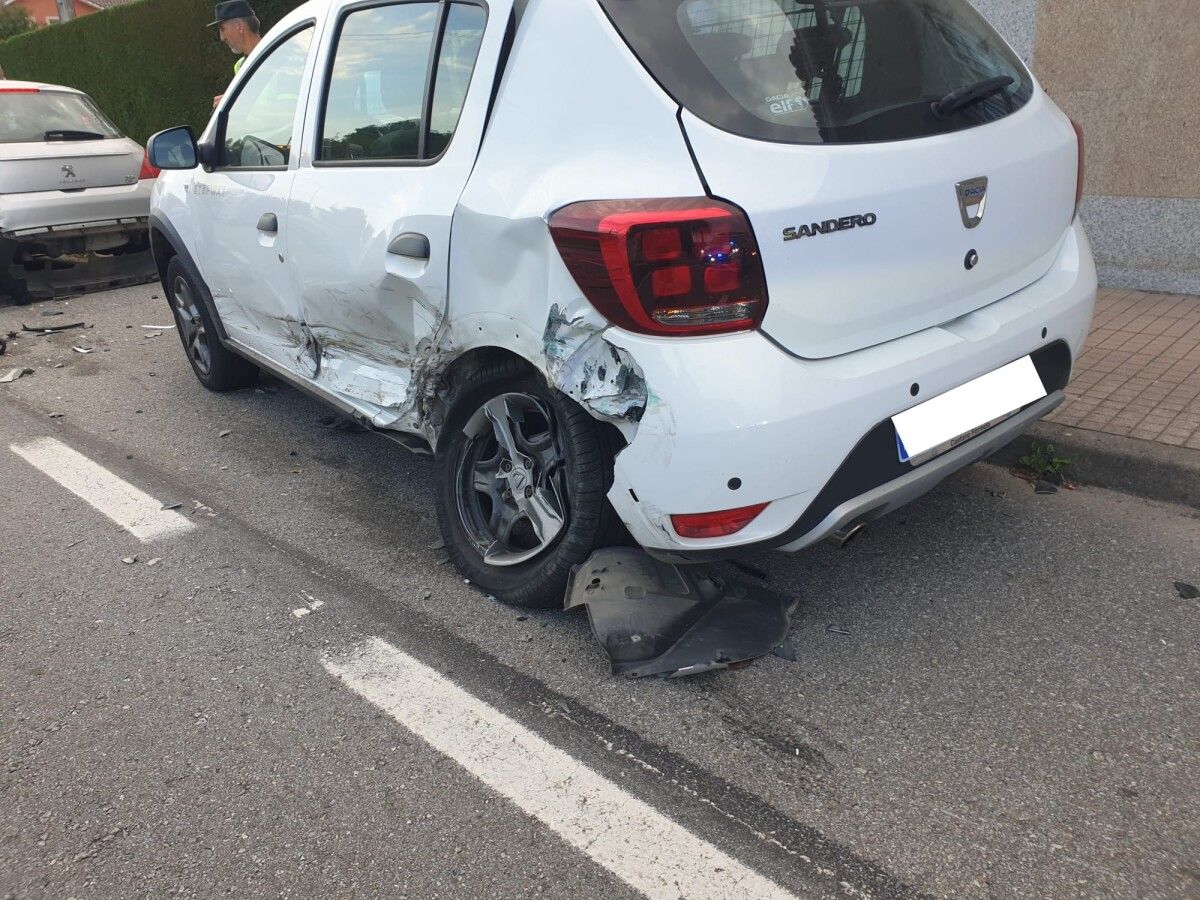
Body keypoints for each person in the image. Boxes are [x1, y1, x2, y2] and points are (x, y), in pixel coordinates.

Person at [209, 0, 262, 108]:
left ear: (239, 26)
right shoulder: (240, 65)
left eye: (222, 29)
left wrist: (235, 102)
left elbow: (287, 108)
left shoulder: (275, 57)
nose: (221, 37)